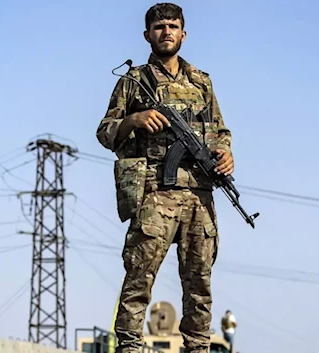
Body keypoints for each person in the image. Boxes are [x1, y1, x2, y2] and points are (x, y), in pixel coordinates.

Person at [95, 3, 234, 353]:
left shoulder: (202, 81)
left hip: (199, 195)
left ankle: (198, 348)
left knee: (199, 284)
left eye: (173, 26)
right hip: (155, 194)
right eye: (159, 27)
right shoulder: (134, 81)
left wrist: (225, 154)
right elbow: (105, 132)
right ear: (147, 35)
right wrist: (134, 120)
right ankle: (129, 346)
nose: (166, 32)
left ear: (184, 34)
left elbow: (218, 132)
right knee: (139, 278)